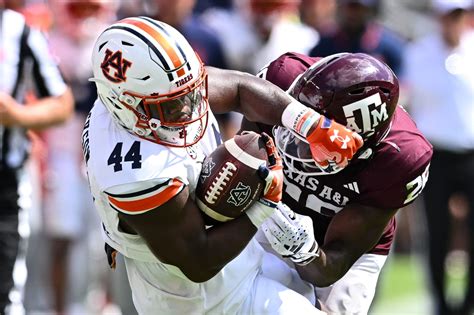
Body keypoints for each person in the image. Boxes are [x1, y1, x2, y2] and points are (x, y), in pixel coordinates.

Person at [83, 17, 362, 314]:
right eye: (170, 105)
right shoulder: (135, 172)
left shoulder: (157, 90)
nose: (189, 107)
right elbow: (198, 263)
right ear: (124, 104)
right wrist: (262, 206)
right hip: (194, 299)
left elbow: (241, 88)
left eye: (189, 92)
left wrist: (311, 125)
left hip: (240, 262)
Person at [240, 51, 433, 314]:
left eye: (319, 141)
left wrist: (304, 250)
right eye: (303, 122)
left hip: (336, 242)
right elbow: (242, 155)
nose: (294, 143)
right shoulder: (282, 77)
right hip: (270, 206)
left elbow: (331, 267)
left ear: (361, 148)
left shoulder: (399, 160)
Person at [0, 3, 74, 314]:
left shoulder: (19, 31)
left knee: (5, 295)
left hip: (5, 180)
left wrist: (17, 115)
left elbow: (62, 103)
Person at [402, 0, 474, 314]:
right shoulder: (418, 54)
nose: (452, 22)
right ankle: (442, 306)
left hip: (472, 154)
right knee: (437, 232)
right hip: (435, 155)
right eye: (448, 16)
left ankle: (468, 303)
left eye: (458, 15)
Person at [309, 0, 405, 75]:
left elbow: (402, 86)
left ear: (370, 10)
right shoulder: (324, 44)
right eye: (350, 7)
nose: (353, 14)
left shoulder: (390, 45)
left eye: (359, 8)